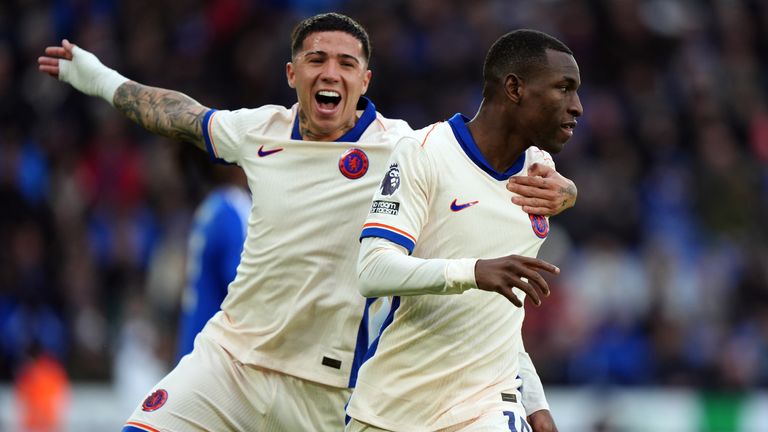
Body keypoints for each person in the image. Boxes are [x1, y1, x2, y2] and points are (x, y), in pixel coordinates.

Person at [38, 13, 574, 431]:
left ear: (365, 80)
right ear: (293, 74)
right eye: (316, 59)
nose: (330, 72)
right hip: (231, 363)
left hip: (330, 392)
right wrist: (95, 76)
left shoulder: (404, 148)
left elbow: (481, 162)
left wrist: (563, 190)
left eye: (346, 63)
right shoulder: (259, 131)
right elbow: (178, 116)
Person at [346, 29, 582, 431]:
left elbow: (496, 318)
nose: (577, 107)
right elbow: (372, 271)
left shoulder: (540, 177)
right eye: (564, 89)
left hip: (484, 406)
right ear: (514, 88)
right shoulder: (426, 153)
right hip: (394, 407)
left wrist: (533, 401)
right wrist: (471, 271)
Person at [176, 165, 250, 360]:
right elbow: (240, 284)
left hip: (192, 343)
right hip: (213, 357)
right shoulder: (236, 208)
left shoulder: (211, 206)